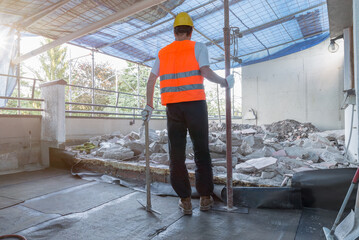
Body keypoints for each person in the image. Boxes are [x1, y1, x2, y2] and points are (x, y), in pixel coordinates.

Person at [141, 12, 234, 215]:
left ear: (174, 31)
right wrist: (224, 82)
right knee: (201, 151)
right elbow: (206, 73)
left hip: (173, 108)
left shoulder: (163, 52)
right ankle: (206, 198)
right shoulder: (198, 47)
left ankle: (185, 201)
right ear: (191, 31)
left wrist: (148, 105)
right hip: (196, 106)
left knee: (176, 156)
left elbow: (150, 81)